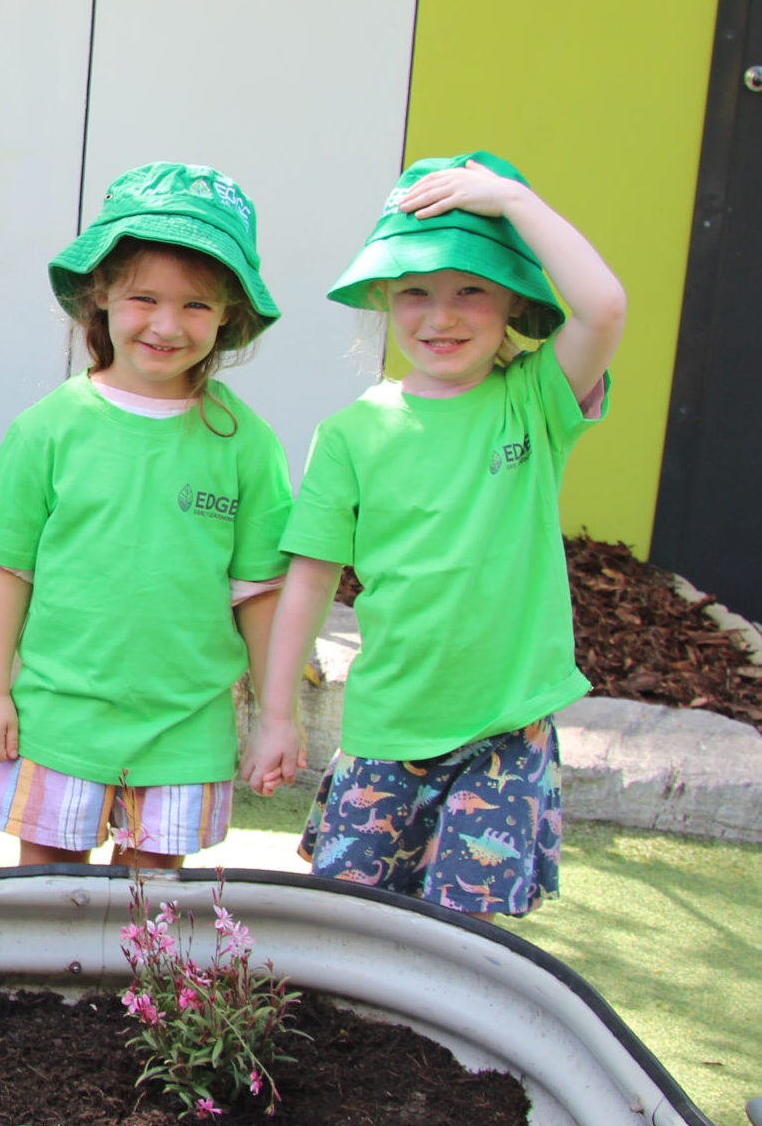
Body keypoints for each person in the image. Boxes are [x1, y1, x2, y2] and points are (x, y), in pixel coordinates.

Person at [243, 151, 627, 918]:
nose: (440, 315)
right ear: (384, 299)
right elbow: (310, 580)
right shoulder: (351, 433)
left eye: (470, 291)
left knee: (464, 941)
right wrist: (276, 710)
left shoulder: (535, 402)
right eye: (415, 291)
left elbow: (604, 307)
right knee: (346, 924)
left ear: (513, 304)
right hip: (387, 729)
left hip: (503, 732)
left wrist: (513, 201)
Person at [0, 162, 292, 869]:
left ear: (228, 316)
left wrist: (276, 714)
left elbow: (259, 592)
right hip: (58, 721)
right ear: (100, 297)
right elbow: (7, 572)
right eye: (144, 297)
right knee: (44, 903)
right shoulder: (49, 428)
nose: (167, 325)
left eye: (197, 306)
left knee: (148, 921)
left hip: (185, 730)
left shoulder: (246, 444)